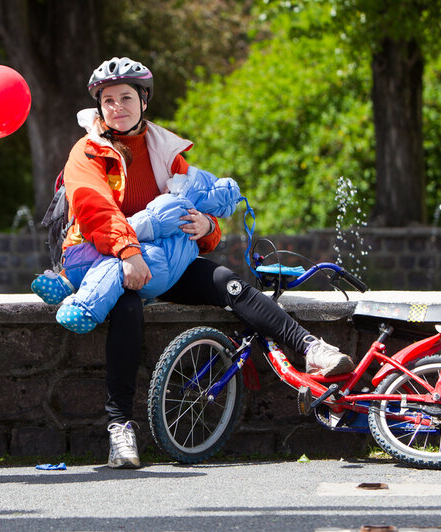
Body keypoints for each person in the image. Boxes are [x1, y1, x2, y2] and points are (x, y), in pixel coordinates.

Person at [58, 57, 354, 469]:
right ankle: (120, 428)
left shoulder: (168, 151)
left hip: (161, 259)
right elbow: (93, 211)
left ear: (144, 101)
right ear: (100, 107)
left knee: (226, 281)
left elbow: (197, 206)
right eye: (108, 101)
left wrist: (206, 227)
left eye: (126, 97)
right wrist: (127, 253)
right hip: (103, 259)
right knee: (125, 309)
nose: (117, 107)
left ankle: (310, 348)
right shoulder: (86, 152)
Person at [31, 165, 241, 333]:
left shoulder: (176, 204)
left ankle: (85, 308)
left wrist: (117, 234)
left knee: (110, 265)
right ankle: (65, 281)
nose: (169, 181)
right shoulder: (192, 210)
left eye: (178, 180)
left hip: (154, 264)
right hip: (161, 266)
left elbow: (147, 223)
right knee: (101, 256)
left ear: (189, 189)